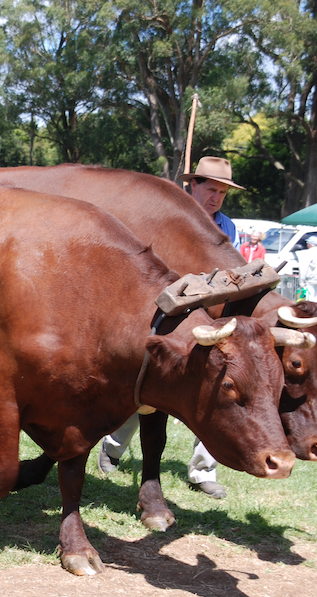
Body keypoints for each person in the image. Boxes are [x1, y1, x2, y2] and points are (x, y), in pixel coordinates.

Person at [98, 157, 245, 500]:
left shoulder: (228, 229)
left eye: (223, 191)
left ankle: (203, 469)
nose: (216, 197)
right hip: (170, 318)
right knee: (146, 387)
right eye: (211, 189)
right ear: (192, 186)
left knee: (218, 392)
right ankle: (113, 447)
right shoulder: (165, 219)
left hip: (212, 322)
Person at [298, 236, 317, 302]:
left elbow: (303, 268)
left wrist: (301, 282)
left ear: (310, 244)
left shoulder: (308, 253)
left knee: (309, 300)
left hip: (310, 280)